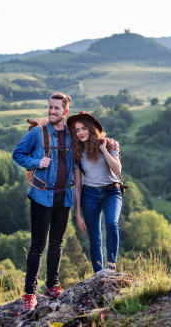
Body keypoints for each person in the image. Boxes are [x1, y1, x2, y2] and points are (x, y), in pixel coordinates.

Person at [12, 96, 119, 311]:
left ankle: (52, 285)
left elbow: (89, 134)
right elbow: (17, 154)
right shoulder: (37, 133)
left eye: (56, 108)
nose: (52, 111)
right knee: (37, 245)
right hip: (41, 195)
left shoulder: (72, 135)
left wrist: (110, 143)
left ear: (65, 110)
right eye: (49, 107)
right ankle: (30, 293)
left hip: (64, 197)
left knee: (57, 243)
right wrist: (36, 162)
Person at [67, 111, 123, 273]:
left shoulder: (109, 144)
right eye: (77, 130)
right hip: (89, 195)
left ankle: (111, 267)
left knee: (112, 223)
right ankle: (98, 275)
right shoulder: (77, 153)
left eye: (83, 128)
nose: (80, 133)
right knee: (94, 238)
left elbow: (117, 169)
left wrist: (104, 149)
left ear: (91, 129)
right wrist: (78, 214)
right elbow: (77, 186)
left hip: (111, 192)